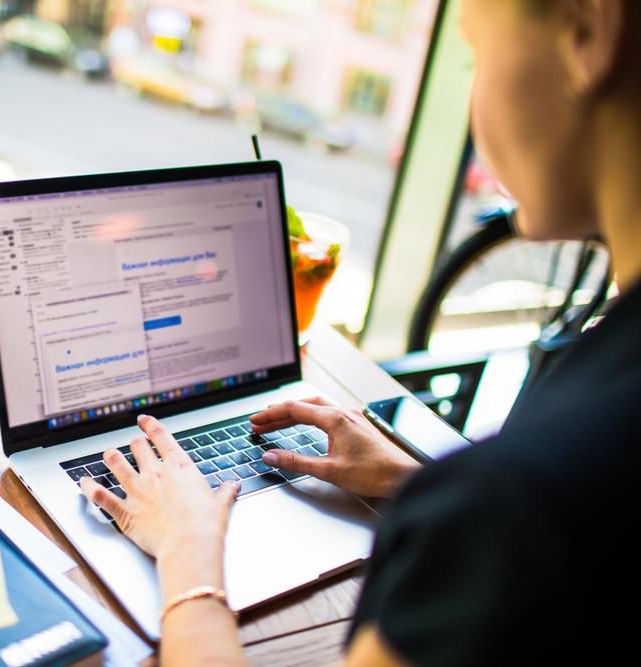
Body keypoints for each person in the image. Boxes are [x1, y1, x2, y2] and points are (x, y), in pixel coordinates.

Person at [80, 0, 641, 664]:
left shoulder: (518, 506)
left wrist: (187, 552)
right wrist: (419, 484)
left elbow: (544, 523)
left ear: (590, 29)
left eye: (476, 52)